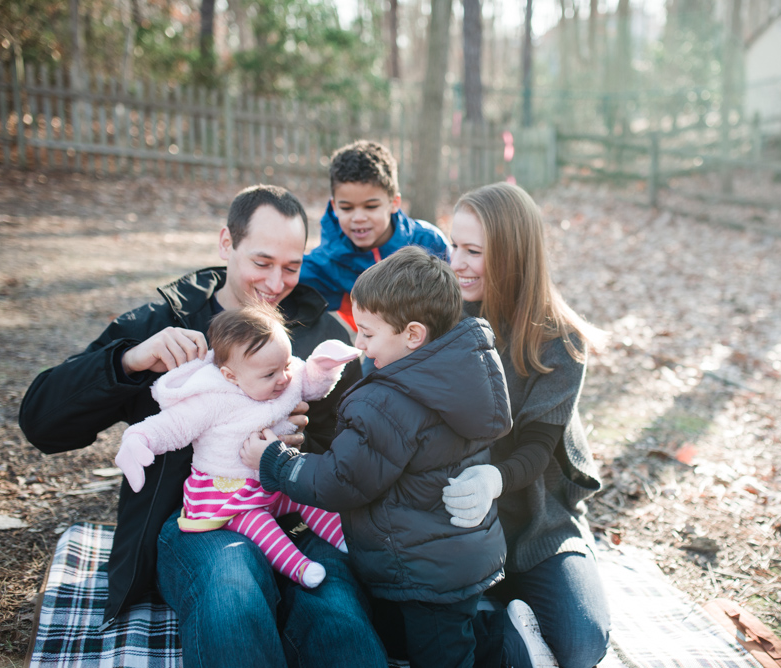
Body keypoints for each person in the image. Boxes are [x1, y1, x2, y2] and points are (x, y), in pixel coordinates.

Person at [18, 185, 386, 668]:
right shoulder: (167, 324)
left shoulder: (323, 336)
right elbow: (42, 423)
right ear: (226, 244)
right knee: (230, 590)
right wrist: (128, 362)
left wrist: (300, 447)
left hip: (296, 516)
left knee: (341, 618)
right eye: (262, 261)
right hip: (199, 521)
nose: (276, 283)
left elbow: (358, 445)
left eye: (291, 266)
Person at [241, 247, 548, 668]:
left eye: (368, 333)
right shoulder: (459, 373)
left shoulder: (387, 402)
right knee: (428, 638)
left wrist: (275, 461)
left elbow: (341, 480)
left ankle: (508, 650)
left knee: (439, 656)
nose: (360, 345)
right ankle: (505, 642)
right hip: (451, 552)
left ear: (413, 335)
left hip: (426, 568)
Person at [442, 182, 612, 668]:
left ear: (513, 255)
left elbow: (538, 448)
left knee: (582, 645)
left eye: (473, 251)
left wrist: (494, 477)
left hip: (536, 519)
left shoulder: (558, 339)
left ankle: (545, 583)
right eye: (454, 246)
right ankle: (505, 625)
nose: (457, 262)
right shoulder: (442, 317)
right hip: (459, 522)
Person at [115, 302, 361, 588]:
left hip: (275, 482)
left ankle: (347, 541)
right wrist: (138, 440)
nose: (283, 378)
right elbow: (173, 425)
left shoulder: (283, 373)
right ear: (231, 376)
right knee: (259, 526)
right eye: (269, 375)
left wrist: (323, 367)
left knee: (310, 498)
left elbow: (310, 383)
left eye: (285, 365)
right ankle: (299, 568)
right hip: (229, 494)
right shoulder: (212, 397)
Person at [299, 139, 450, 332]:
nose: (359, 217)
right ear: (334, 206)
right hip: (375, 351)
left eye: (371, 206)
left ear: (394, 202)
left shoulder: (428, 242)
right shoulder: (326, 263)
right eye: (346, 208)